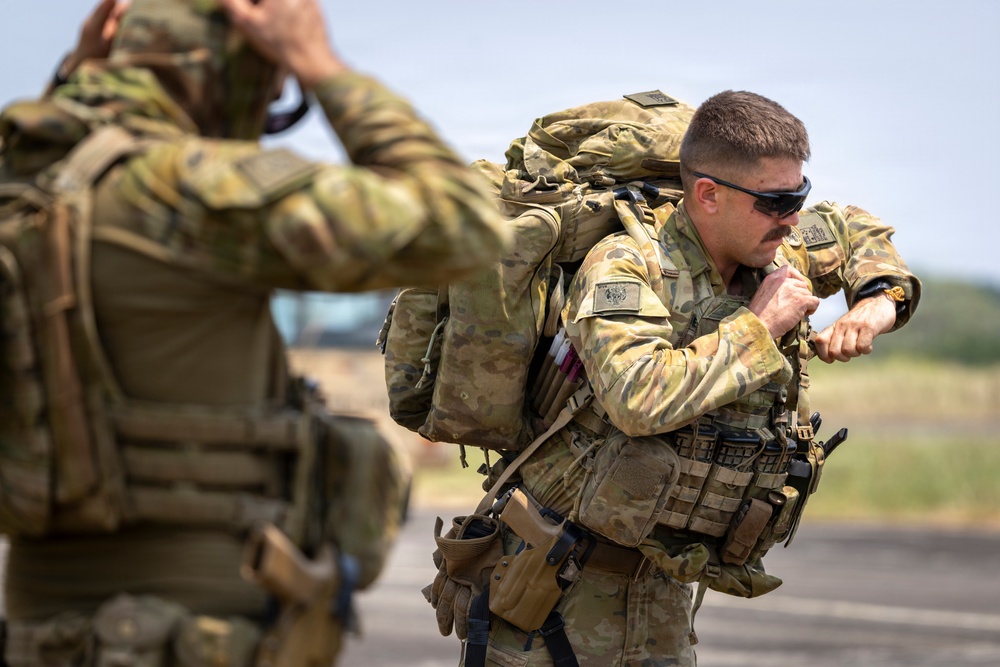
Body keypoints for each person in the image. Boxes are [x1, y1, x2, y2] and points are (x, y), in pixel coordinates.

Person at [0, 0, 507, 665]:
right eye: (270, 101)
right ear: (224, 74)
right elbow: (464, 225)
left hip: (36, 627)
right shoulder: (185, 189)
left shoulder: (22, 192)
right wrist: (318, 65)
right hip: (193, 628)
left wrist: (78, 77)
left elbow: (56, 158)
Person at [467, 90, 920, 665]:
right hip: (556, 590)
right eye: (776, 201)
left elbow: (855, 230)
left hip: (664, 592)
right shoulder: (625, 264)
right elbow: (637, 397)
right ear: (708, 194)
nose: (792, 218)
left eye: (799, 195)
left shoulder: (775, 249)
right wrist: (760, 326)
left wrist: (877, 302)